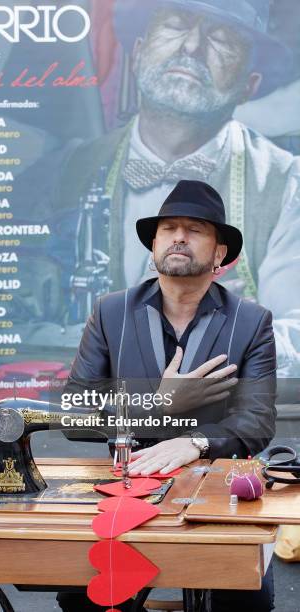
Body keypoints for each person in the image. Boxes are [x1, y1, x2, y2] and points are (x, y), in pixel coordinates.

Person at [36, 0, 300, 376]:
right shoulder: (67, 170)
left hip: (219, 413)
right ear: (138, 53)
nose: (192, 46)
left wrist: (195, 357)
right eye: (175, 25)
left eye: (221, 38)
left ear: (248, 85)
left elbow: (296, 333)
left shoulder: (286, 184)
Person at [57, 179, 276, 611]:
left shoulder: (251, 322)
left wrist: (194, 442)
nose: (178, 236)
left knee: (245, 600)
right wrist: (160, 404)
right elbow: (74, 413)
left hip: (217, 486)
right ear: (153, 245)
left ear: (219, 255)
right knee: (84, 596)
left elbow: (257, 423)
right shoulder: (110, 312)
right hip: (126, 485)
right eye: (168, 228)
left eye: (194, 229)